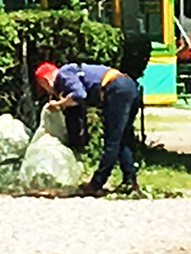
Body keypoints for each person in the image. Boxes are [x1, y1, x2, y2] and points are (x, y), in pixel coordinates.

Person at [34, 61, 141, 196]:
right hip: (129, 86)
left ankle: (96, 184)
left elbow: (79, 95)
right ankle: (130, 181)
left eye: (43, 86)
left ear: (45, 80)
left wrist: (59, 104)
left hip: (116, 89)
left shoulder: (64, 73)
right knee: (122, 139)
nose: (46, 90)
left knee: (112, 141)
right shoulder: (71, 72)